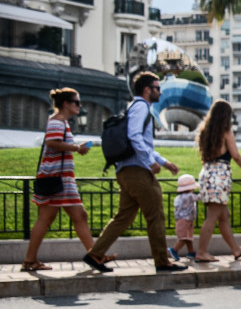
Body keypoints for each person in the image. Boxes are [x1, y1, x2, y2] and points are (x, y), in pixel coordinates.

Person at [86, 72, 186, 273]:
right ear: (147, 90)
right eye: (157, 88)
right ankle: (162, 261)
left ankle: (95, 254)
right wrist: (150, 163)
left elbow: (143, 143)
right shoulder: (141, 107)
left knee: (123, 217)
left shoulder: (134, 107)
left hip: (126, 170)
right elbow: (134, 136)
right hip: (137, 171)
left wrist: (163, 162)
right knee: (155, 214)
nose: (160, 91)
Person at [22, 88, 97, 272]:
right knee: (70, 217)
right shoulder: (57, 122)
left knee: (56, 218)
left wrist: (75, 148)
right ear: (66, 104)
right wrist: (76, 148)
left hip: (57, 177)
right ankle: (96, 256)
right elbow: (52, 143)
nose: (80, 106)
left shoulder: (60, 122)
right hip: (58, 178)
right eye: (77, 103)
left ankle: (30, 261)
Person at [193, 100, 241, 263]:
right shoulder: (226, 131)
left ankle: (235, 249)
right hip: (220, 175)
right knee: (213, 216)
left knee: (224, 215)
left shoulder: (205, 131)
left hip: (207, 173)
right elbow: (235, 154)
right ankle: (201, 252)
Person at [169, 174, 198, 261]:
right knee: (184, 238)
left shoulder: (179, 197)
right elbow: (200, 197)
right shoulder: (190, 196)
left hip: (181, 220)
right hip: (186, 220)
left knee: (188, 237)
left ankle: (191, 252)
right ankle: (174, 250)